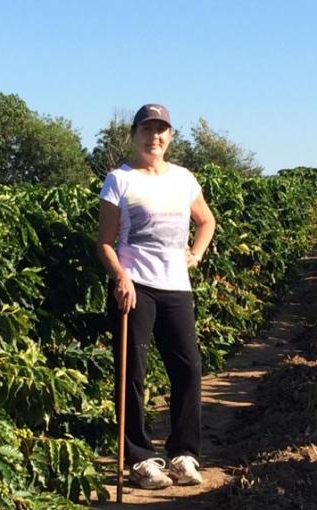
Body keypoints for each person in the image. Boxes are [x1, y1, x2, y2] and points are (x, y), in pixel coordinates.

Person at [95, 103, 216, 489]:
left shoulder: (183, 179)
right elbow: (104, 243)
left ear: (170, 136)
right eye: (147, 130)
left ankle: (183, 454)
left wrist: (195, 254)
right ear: (134, 136)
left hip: (176, 285)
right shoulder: (120, 180)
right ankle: (141, 458)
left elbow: (206, 220)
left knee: (189, 367)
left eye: (161, 130)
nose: (155, 137)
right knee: (133, 371)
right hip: (137, 287)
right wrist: (121, 278)